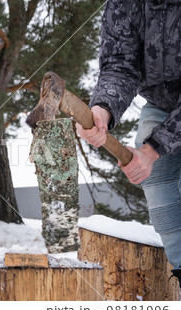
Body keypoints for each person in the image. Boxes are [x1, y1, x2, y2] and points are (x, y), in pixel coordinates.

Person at [76, 0, 181, 286]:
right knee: (158, 179)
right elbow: (120, 65)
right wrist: (102, 110)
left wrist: (152, 149)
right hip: (162, 104)